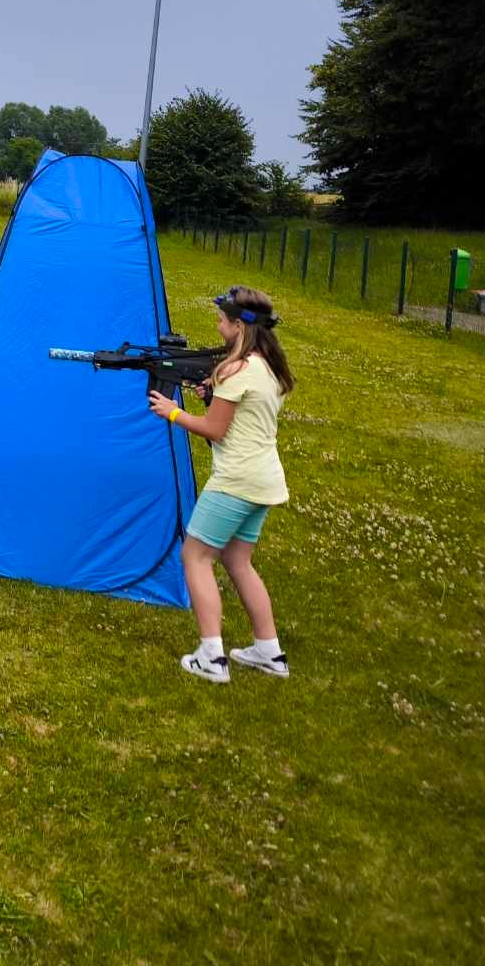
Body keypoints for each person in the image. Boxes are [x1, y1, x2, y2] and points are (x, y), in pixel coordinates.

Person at [147, 285, 296, 685]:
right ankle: (269, 650)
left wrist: (172, 412)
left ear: (239, 326)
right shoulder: (269, 368)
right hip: (264, 480)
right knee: (237, 561)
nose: (217, 326)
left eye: (221, 320)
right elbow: (239, 416)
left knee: (195, 557)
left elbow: (214, 429)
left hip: (236, 481)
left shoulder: (235, 370)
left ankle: (211, 657)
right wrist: (212, 395)